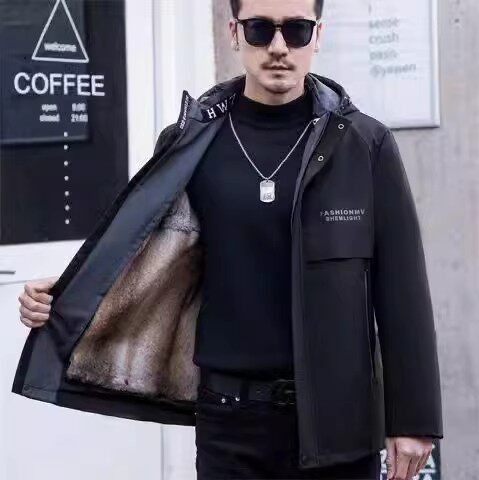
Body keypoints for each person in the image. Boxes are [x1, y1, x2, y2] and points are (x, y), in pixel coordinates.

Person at [15, 0, 443, 479]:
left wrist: (414, 419)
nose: (278, 47)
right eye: (260, 29)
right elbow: (153, 259)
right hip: (228, 423)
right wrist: (67, 294)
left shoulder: (364, 144)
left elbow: (402, 288)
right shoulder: (190, 142)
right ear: (235, 33)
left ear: (317, 36)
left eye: (297, 31)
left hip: (339, 421)